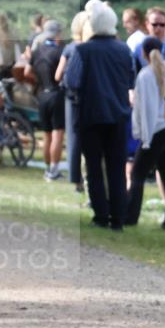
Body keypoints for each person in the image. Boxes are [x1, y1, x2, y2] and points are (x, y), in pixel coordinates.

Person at [64, 0, 137, 230]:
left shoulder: (83, 50)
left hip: (91, 115)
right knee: (116, 168)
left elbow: (71, 81)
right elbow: (131, 79)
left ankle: (101, 215)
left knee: (94, 167)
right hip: (118, 115)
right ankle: (118, 217)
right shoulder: (124, 49)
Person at [128, 36, 165, 228]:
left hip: (154, 131)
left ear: (144, 53)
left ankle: (130, 214)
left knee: (137, 174)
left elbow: (142, 108)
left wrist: (143, 135)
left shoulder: (145, 75)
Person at [55, 11, 91, 194]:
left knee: (74, 137)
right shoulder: (91, 47)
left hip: (73, 98)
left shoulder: (70, 48)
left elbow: (58, 75)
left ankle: (76, 178)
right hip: (90, 96)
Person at [27, 20, 66, 181]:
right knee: (57, 134)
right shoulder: (60, 51)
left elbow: (27, 71)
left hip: (42, 94)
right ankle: (54, 170)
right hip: (57, 94)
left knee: (46, 134)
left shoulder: (37, 51)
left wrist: (38, 80)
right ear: (58, 34)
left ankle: (47, 169)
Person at [135, 7, 165, 71]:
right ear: (147, 24)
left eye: (162, 24)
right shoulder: (139, 48)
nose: (158, 28)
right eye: (154, 24)